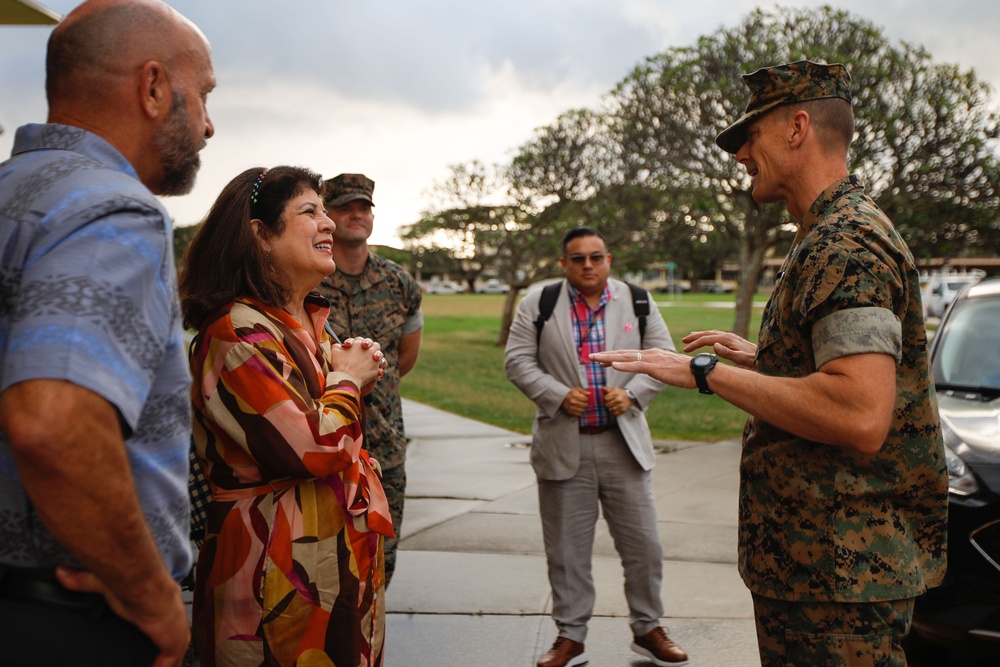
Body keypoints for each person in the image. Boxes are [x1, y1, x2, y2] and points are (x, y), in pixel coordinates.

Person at [592, 60, 948, 666]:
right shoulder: (825, 234)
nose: (740, 155)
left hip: (840, 577)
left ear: (797, 128)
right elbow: (849, 370)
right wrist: (768, 361)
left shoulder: (846, 244)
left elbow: (860, 412)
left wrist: (705, 374)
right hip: (818, 567)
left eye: (748, 135)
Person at [0, 1, 215, 665]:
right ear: (152, 87)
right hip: (67, 619)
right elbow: (53, 421)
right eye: (203, 94)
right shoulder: (109, 207)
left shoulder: (15, 192)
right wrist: (153, 596)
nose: (209, 125)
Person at [179, 166, 393, 667]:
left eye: (326, 211)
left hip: (330, 562)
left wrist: (349, 371)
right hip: (270, 573)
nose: (330, 225)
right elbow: (314, 446)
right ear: (260, 234)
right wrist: (348, 381)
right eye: (309, 212)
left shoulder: (308, 325)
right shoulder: (237, 333)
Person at [504, 227, 689, 667]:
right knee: (567, 553)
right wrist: (554, 394)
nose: (588, 265)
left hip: (622, 445)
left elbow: (662, 356)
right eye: (578, 258)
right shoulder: (539, 303)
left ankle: (648, 628)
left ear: (609, 259)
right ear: (564, 264)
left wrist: (635, 393)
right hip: (564, 446)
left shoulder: (638, 301)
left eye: (596, 257)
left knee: (645, 546)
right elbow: (517, 361)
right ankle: (571, 637)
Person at [317, 173, 423, 586]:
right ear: (327, 215)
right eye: (344, 207)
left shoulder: (399, 283)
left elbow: (404, 358)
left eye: (363, 207)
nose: (356, 215)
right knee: (327, 559)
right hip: (327, 442)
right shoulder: (310, 277)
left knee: (383, 556)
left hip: (385, 440)